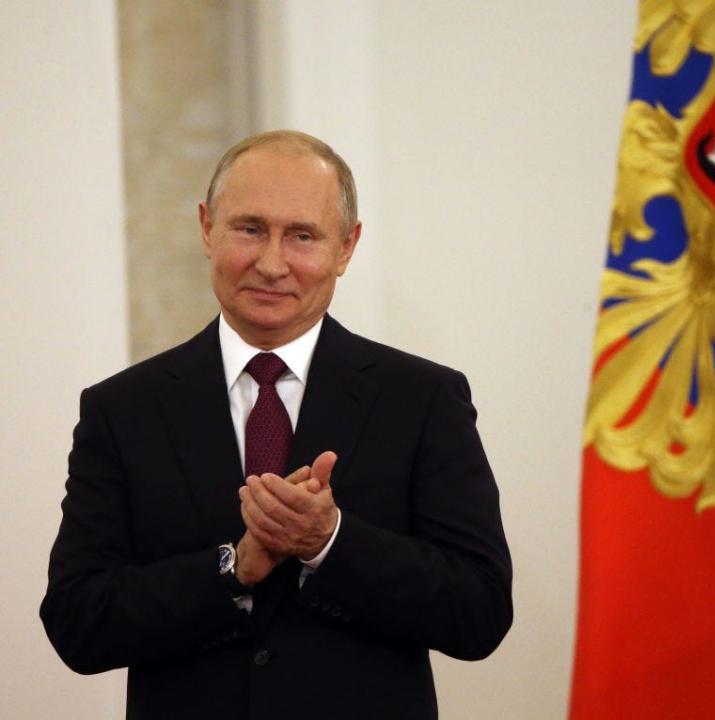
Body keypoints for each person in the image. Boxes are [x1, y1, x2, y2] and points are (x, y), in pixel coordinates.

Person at [40, 130, 513, 720]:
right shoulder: (123, 409)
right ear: (207, 228)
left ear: (346, 246)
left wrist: (329, 542)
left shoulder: (422, 398)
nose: (271, 263)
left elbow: (480, 613)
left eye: (302, 236)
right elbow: (77, 622)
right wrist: (233, 568)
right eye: (249, 229)